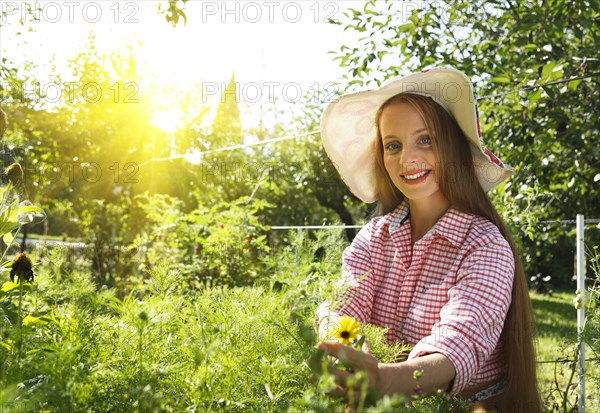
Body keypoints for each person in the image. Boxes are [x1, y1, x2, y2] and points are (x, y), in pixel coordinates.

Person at [315, 67, 540, 412]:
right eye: (393, 145)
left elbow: (459, 342)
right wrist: (346, 341)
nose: (407, 159)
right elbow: (343, 303)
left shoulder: (484, 245)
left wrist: (386, 379)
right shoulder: (374, 238)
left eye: (425, 139)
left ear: (450, 145)